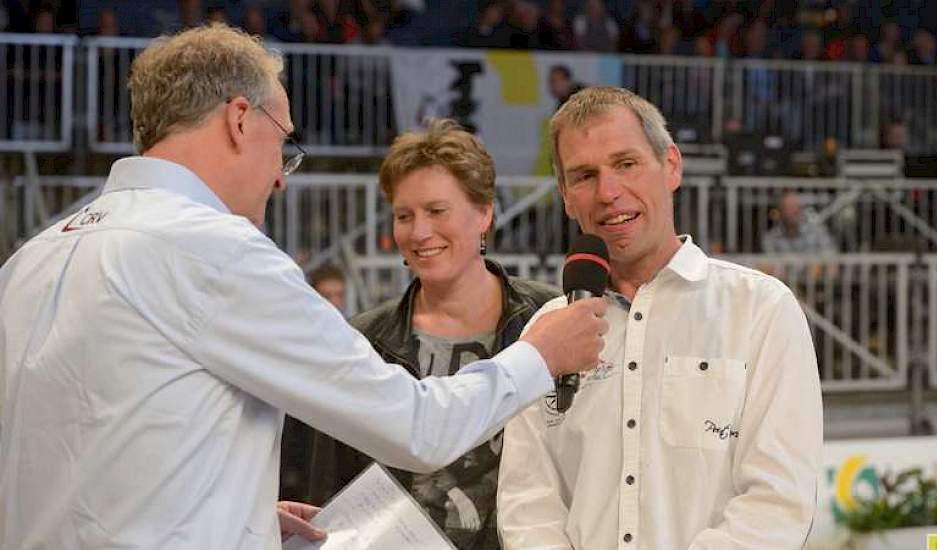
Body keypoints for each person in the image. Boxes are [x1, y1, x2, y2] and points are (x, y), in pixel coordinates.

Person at [0, 24, 608, 550]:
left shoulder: (32, 258)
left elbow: (82, 455)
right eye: (283, 144)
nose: (280, 178)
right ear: (241, 119)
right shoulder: (216, 250)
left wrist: (236, 514)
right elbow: (418, 429)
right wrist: (539, 355)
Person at [496, 87, 823, 549]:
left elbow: (778, 503)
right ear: (567, 196)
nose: (609, 193)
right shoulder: (547, 331)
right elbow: (528, 503)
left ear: (671, 165)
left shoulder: (762, 310)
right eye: (585, 176)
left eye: (626, 164)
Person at [288, 118, 562, 550]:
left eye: (437, 211)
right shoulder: (362, 340)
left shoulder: (549, 320)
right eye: (404, 215)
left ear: (484, 213)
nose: (419, 232)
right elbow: (332, 493)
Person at [762, 190, 838, 255]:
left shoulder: (818, 232)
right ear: (781, 211)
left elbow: (831, 257)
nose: (796, 211)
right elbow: (770, 267)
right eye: (790, 208)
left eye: (798, 207)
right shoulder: (771, 238)